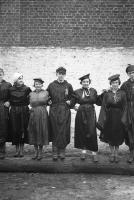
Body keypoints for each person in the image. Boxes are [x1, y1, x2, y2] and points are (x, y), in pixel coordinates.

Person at [97, 74, 127, 163]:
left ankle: (116, 154)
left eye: (117, 82)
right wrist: (103, 119)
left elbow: (125, 107)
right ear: (111, 83)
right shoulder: (107, 94)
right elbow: (104, 107)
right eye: (113, 82)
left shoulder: (122, 93)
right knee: (110, 135)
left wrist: (124, 119)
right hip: (109, 117)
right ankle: (111, 154)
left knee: (117, 136)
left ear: (119, 83)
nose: (115, 84)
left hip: (119, 117)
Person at [47, 67, 74, 160]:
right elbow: (46, 95)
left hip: (65, 110)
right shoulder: (51, 85)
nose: (61, 75)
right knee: (54, 129)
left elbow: (73, 97)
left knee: (63, 130)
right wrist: (48, 101)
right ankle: (54, 151)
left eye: (63, 73)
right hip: (54, 110)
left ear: (65, 75)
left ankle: (62, 151)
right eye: (59, 73)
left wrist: (70, 102)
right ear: (56, 74)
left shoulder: (68, 85)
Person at [72, 74, 99, 162]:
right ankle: (83, 151)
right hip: (81, 112)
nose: (86, 83)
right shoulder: (77, 92)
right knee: (82, 131)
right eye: (84, 82)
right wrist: (73, 106)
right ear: (81, 83)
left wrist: (105, 94)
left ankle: (94, 153)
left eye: (87, 82)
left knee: (91, 132)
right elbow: (72, 101)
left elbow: (98, 101)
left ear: (89, 82)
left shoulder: (93, 91)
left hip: (91, 112)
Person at [9, 73, 31, 157]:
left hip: (23, 110)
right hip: (14, 110)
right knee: (15, 129)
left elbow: (30, 99)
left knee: (22, 129)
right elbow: (8, 99)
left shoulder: (27, 89)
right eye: (19, 78)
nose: (21, 80)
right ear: (15, 80)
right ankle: (16, 150)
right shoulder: (10, 89)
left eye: (22, 78)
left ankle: (22, 150)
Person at [28, 78, 49, 160]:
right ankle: (35, 151)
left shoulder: (46, 93)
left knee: (41, 131)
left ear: (42, 85)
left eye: (39, 84)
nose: (38, 85)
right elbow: (29, 103)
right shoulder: (31, 93)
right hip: (33, 113)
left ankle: (40, 152)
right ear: (34, 85)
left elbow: (49, 102)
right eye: (36, 84)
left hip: (42, 114)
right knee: (34, 131)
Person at [121, 64, 134, 163]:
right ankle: (131, 153)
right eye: (130, 73)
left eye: (133, 72)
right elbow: (119, 94)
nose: (132, 74)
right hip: (129, 110)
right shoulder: (125, 85)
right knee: (129, 130)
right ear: (127, 74)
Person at [0, 68, 11, 159]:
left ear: (3, 74)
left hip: (3, 108)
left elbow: (12, 96)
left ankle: (2, 150)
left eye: (1, 73)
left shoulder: (7, 85)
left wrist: (9, 102)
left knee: (3, 127)